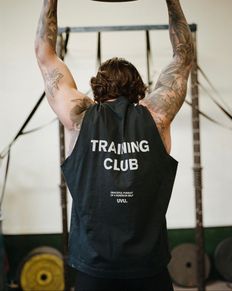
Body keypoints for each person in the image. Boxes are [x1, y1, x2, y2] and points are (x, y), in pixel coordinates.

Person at [35, 0, 194, 290]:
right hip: (148, 271)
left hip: (95, 271)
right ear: (138, 88)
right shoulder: (157, 117)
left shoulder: (78, 117)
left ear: (97, 86)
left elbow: (44, 55)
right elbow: (183, 57)